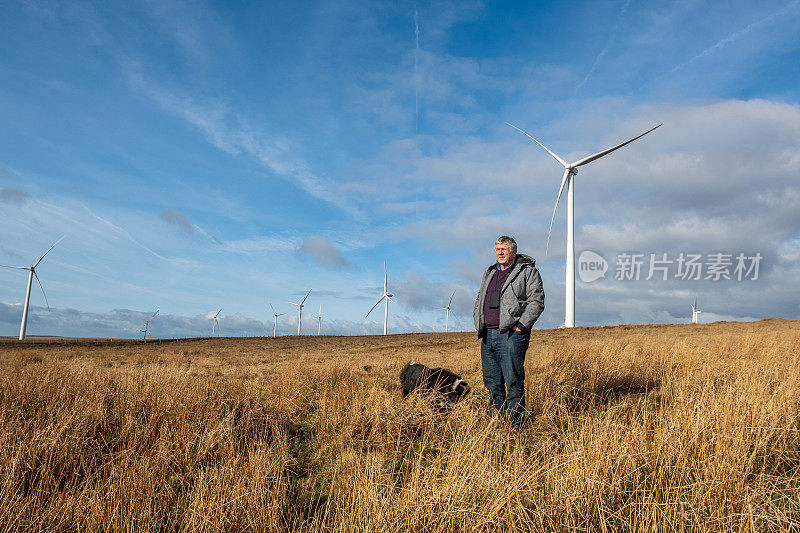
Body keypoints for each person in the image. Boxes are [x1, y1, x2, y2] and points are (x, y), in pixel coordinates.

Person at [473, 236, 544, 428]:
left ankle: (515, 426)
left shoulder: (527, 271)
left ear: (513, 251)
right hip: (488, 335)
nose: (500, 253)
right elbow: (480, 298)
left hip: (511, 335)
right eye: (497, 249)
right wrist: (477, 320)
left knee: (513, 381)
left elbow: (536, 301)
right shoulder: (489, 272)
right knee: (492, 383)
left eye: (504, 249)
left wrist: (521, 327)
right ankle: (496, 423)